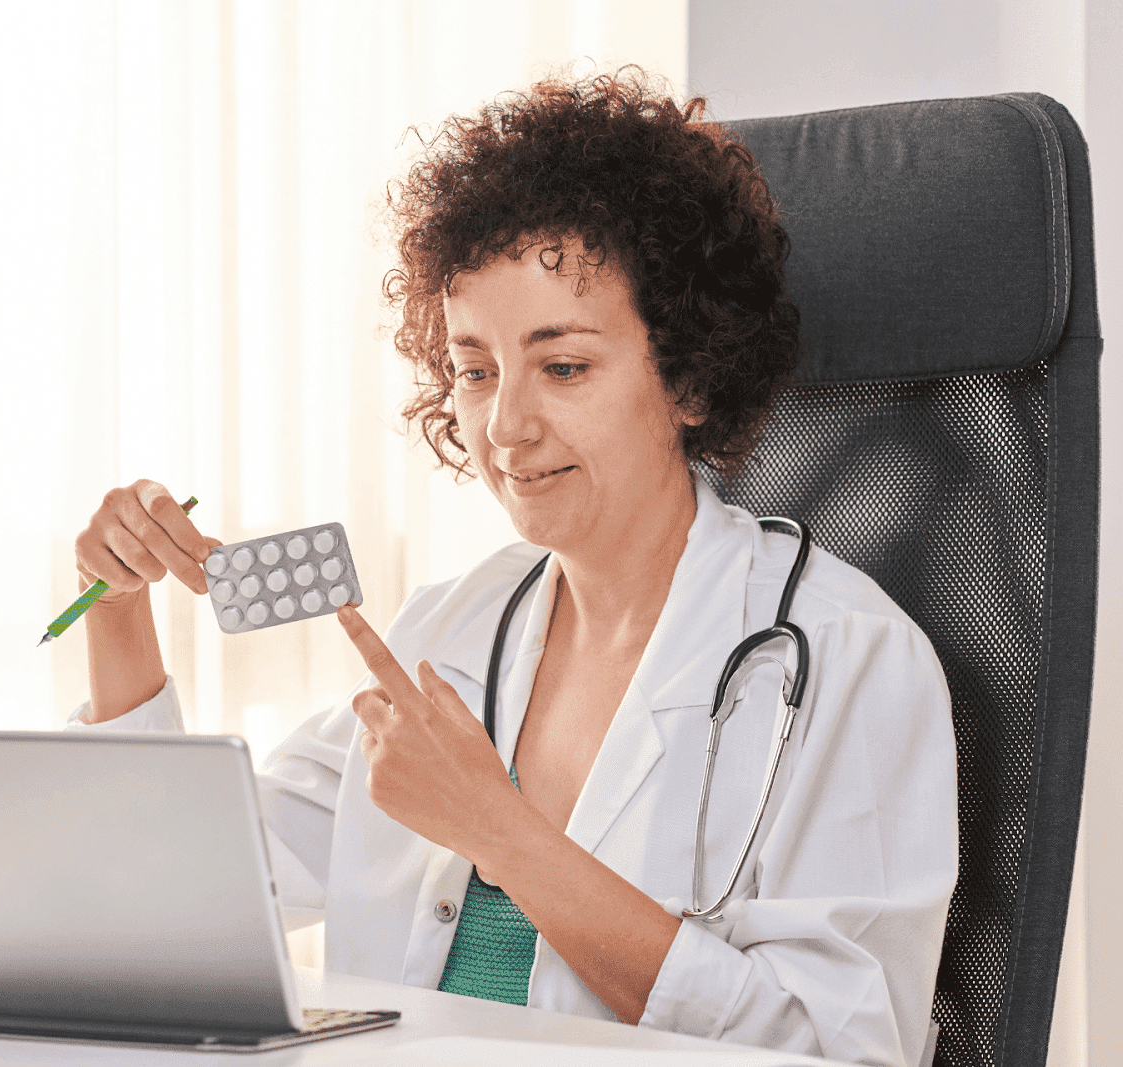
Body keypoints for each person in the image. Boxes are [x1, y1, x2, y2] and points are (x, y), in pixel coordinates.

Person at [70, 70, 955, 1067]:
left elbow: (843, 1047)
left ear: (691, 372)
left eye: (563, 365)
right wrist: (119, 608)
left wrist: (504, 834)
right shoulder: (450, 630)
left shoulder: (848, 660)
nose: (504, 426)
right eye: (475, 368)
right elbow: (173, 898)